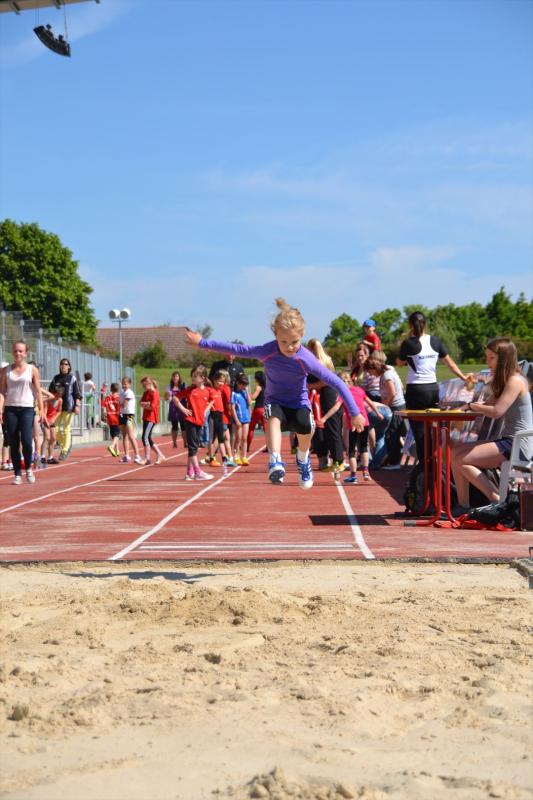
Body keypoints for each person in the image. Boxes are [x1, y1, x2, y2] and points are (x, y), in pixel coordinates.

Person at [185, 298, 365, 490]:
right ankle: (275, 460)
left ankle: (303, 458)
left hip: (298, 403)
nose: (289, 347)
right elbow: (237, 349)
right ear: (275, 335)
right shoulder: (267, 351)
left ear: (302, 336)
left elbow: (337, 382)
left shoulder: (306, 358)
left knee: (307, 426)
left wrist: (354, 412)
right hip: (275, 401)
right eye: (283, 342)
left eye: (294, 342)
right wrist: (202, 342)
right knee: (272, 417)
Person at [451, 337, 533, 511]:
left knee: (462, 460)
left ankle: (496, 499)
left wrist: (471, 406)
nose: (488, 362)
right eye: (487, 357)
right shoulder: (506, 381)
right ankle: (463, 506)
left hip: (518, 444)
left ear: (503, 358)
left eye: (491, 358)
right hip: (509, 440)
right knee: (455, 453)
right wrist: (462, 406)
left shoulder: (515, 381)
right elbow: (487, 404)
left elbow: (496, 411)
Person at [397, 311, 474, 486]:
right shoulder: (435, 341)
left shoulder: (408, 343)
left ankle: (425, 466)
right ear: (425, 324)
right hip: (432, 389)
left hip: (415, 389)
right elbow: (451, 364)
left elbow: (399, 363)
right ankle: (434, 465)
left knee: (418, 431)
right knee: (433, 428)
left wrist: (407, 345)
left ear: (410, 325)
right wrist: (463, 377)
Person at [0, 341, 44, 485]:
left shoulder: (32, 370)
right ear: (12, 352)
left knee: (26, 440)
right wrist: (0, 409)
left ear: (25, 353)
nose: (17, 353)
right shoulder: (5, 371)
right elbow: (2, 391)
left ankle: (29, 469)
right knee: (13, 442)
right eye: (15, 351)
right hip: (10, 409)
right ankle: (17, 473)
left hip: (27, 409)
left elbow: (38, 391)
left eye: (20, 351)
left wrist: (42, 410)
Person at [335, 372, 382, 483]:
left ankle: (353, 475)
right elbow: (370, 403)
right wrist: (378, 413)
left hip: (353, 424)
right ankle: (366, 472)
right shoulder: (359, 390)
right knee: (364, 447)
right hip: (364, 422)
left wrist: (326, 417)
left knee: (351, 450)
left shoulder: (343, 393)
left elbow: (336, 407)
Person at [307, 338, 345, 475]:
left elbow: (325, 381)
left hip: (328, 395)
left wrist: (309, 386)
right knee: (327, 429)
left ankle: (338, 461)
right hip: (325, 395)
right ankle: (334, 459)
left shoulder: (319, 362)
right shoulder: (325, 359)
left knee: (332, 428)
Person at [366, 350, 407, 470]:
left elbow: (392, 393)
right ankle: (389, 459)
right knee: (391, 434)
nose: (371, 375)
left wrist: (386, 406)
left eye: (370, 372)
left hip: (396, 407)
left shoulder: (387, 375)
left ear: (374, 368)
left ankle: (395, 462)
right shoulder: (387, 373)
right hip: (395, 406)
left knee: (392, 435)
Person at [173, 365, 215, 481]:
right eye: (192, 376)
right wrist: (183, 409)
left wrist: (206, 410)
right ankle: (197, 472)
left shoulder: (207, 391)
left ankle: (189, 473)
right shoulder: (190, 390)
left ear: (203, 378)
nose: (192, 378)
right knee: (192, 448)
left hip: (200, 421)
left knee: (194, 448)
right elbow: (175, 398)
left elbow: (213, 399)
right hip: (190, 421)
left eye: (195, 376)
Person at [48, 358, 82, 461]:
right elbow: (50, 391)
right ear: (59, 366)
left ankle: (64, 450)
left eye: (66, 364)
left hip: (68, 406)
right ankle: (66, 445)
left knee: (66, 428)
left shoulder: (72, 378)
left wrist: (77, 406)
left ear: (69, 366)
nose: (63, 365)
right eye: (62, 364)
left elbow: (77, 394)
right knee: (56, 429)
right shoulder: (55, 378)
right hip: (57, 407)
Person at [139, 376, 165, 465]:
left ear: (149, 384)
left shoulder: (155, 394)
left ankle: (147, 458)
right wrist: (146, 404)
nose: (143, 387)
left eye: (144, 385)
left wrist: (145, 405)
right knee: (148, 438)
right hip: (146, 417)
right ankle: (160, 455)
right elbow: (140, 403)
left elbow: (152, 407)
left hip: (151, 418)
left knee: (144, 437)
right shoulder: (146, 393)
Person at [119, 376, 143, 464]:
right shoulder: (122, 393)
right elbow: (120, 405)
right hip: (122, 414)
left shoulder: (129, 393)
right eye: (123, 384)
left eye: (125, 384)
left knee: (131, 436)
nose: (124, 385)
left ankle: (137, 455)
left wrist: (117, 404)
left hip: (129, 415)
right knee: (124, 435)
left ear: (129, 384)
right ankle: (126, 455)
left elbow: (124, 405)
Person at [231, 373, 251, 466]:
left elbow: (249, 403)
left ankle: (244, 457)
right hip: (238, 420)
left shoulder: (244, 393)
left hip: (246, 419)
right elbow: (232, 408)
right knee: (237, 439)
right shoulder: (234, 394)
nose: (244, 386)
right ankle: (236, 456)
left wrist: (247, 391)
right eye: (242, 384)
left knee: (244, 438)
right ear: (238, 383)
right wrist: (236, 420)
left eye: (245, 384)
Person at [165, 371, 187, 450]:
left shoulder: (183, 385)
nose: (175, 378)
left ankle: (185, 442)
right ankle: (174, 443)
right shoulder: (168, 387)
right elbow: (166, 398)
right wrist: (168, 397)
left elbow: (186, 395)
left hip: (182, 407)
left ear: (179, 377)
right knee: (174, 426)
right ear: (172, 378)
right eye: (174, 376)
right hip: (173, 408)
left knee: (183, 426)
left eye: (177, 376)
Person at [42, 386, 63, 464]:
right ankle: (42, 456)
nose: (58, 397)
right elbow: (44, 412)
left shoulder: (60, 400)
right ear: (53, 393)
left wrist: (54, 418)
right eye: (57, 395)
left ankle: (50, 457)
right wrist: (46, 421)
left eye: (60, 395)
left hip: (51, 420)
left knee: (53, 438)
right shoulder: (48, 400)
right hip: (45, 419)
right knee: (47, 437)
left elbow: (59, 411)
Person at [247, 370, 266, 452]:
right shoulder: (266, 387)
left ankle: (247, 446)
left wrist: (248, 392)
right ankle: (269, 446)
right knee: (266, 429)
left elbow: (253, 397)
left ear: (257, 378)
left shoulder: (259, 387)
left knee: (251, 428)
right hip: (265, 409)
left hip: (258, 409)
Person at [102, 382, 121, 457]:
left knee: (114, 435)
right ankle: (112, 446)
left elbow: (103, 406)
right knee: (117, 434)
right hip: (117, 418)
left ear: (111, 389)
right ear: (118, 390)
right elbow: (121, 408)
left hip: (110, 417)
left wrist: (104, 414)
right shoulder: (119, 398)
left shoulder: (108, 397)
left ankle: (117, 450)